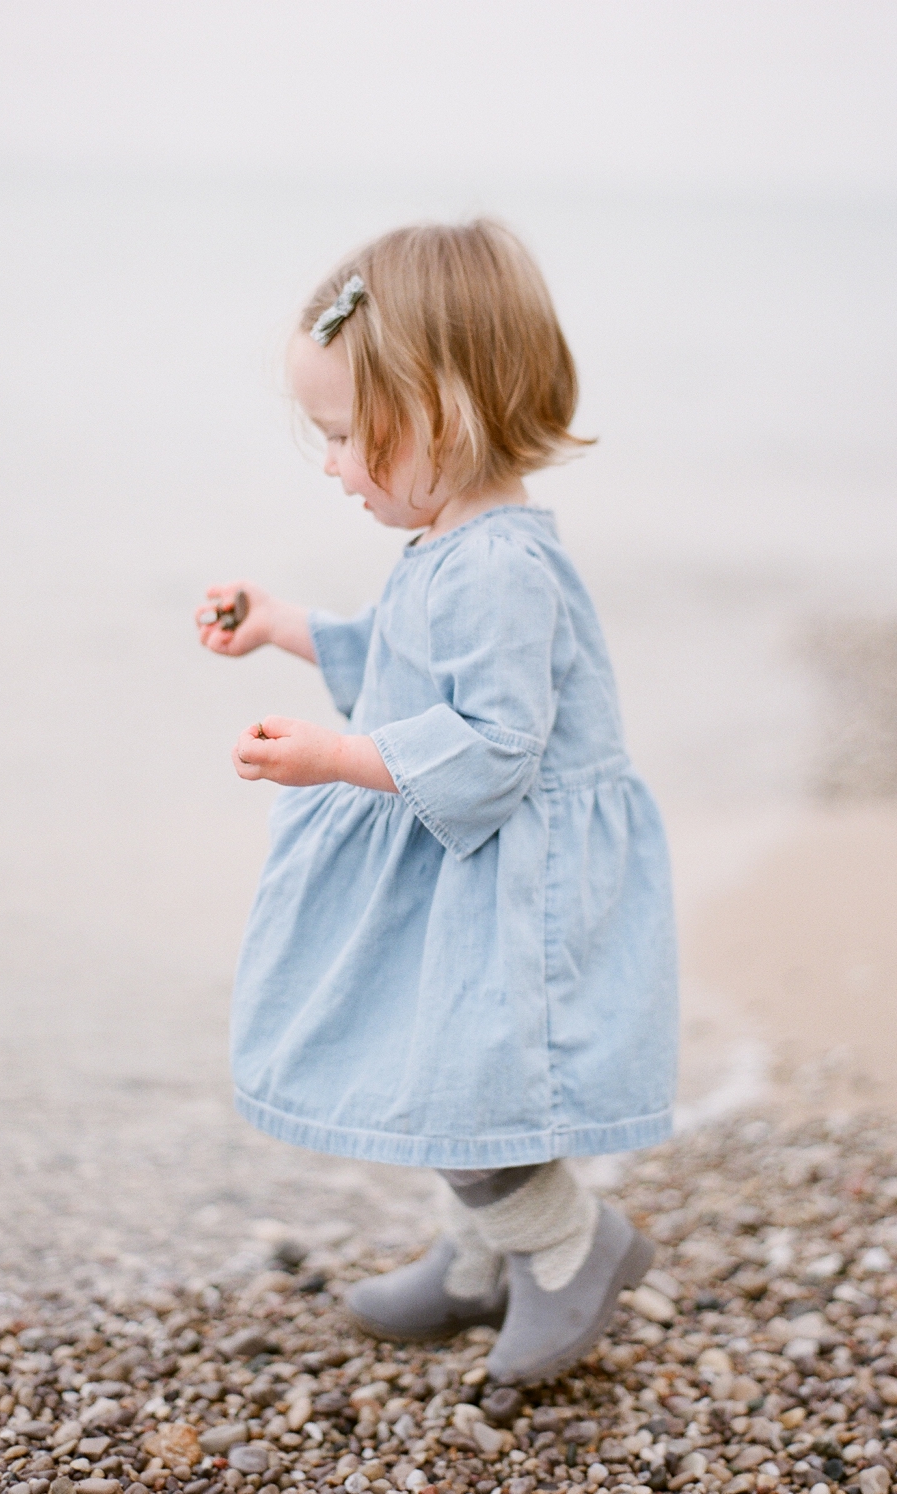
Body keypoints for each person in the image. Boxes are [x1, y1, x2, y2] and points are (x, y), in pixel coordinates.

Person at [198, 220, 678, 1385]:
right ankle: (476, 1260)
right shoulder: (450, 545)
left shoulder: (502, 563)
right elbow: (405, 657)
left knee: (471, 1078)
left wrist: (336, 757)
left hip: (510, 879)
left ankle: (568, 1247)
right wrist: (286, 626)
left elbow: (495, 745)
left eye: (346, 437)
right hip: (454, 867)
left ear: (444, 415)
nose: (332, 465)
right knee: (426, 1065)